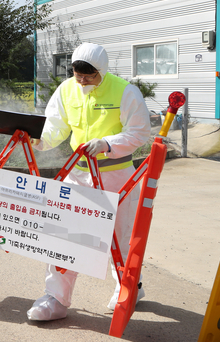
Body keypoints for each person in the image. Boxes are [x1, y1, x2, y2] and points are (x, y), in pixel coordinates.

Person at [27, 42, 151, 321]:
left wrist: (108, 143)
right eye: (77, 73)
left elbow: (140, 131)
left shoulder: (124, 91)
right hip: (79, 174)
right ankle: (56, 298)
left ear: (102, 71)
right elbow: (54, 125)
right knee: (65, 235)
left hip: (118, 177)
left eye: (89, 75)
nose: (82, 80)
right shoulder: (67, 89)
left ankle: (128, 288)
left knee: (121, 239)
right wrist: (39, 141)